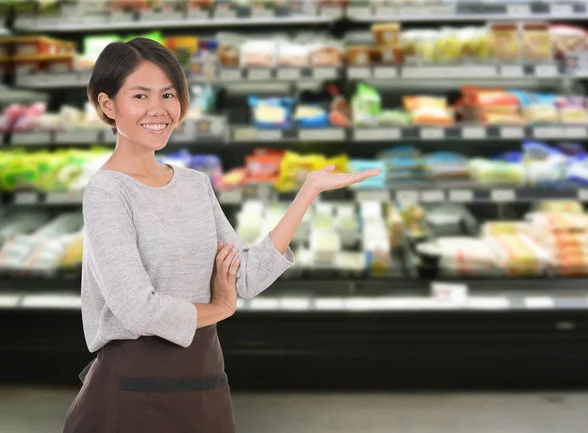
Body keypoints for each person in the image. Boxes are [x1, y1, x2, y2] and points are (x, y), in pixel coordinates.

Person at [62, 37, 380, 433]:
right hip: (133, 386)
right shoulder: (107, 191)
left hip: (204, 377)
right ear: (107, 105)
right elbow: (135, 307)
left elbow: (244, 276)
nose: (158, 109)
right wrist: (219, 309)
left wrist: (307, 193)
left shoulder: (194, 184)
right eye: (140, 95)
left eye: (168, 94)